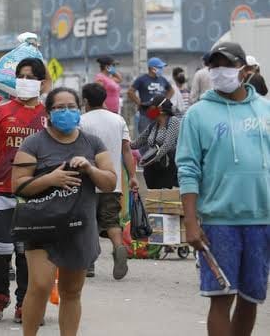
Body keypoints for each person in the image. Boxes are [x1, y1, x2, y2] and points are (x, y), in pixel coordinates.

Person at [177, 41, 269, 336]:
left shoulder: (265, 110)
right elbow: (188, 170)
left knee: (251, 298)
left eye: (226, 65)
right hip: (220, 221)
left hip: (262, 220)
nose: (219, 72)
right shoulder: (198, 114)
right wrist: (191, 222)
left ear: (244, 69)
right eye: (213, 66)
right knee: (221, 298)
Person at [13, 87, 117, 336]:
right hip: (42, 225)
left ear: (80, 109)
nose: (67, 112)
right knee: (39, 285)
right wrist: (51, 178)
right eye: (60, 108)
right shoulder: (34, 143)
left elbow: (110, 182)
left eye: (71, 107)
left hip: (79, 225)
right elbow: (18, 185)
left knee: (72, 291)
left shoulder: (92, 142)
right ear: (48, 112)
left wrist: (90, 169)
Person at [0, 57, 48, 324]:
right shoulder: (0, 112)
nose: (25, 81)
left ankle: (24, 304)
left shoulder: (49, 115)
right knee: (0, 250)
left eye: (31, 77)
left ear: (41, 83)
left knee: (26, 252)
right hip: (0, 191)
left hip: (36, 194)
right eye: (22, 76)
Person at [80, 83, 139, 280]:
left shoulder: (81, 121)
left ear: (86, 101)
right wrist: (132, 177)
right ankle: (119, 247)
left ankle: (89, 264)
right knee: (111, 221)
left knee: (87, 222)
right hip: (112, 181)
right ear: (104, 99)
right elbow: (126, 151)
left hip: (87, 181)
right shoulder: (118, 120)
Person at [131, 95, 180, 189]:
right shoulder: (153, 125)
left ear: (160, 108)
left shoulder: (173, 121)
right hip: (152, 170)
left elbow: (168, 145)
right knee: (153, 199)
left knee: (165, 199)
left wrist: (149, 159)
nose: (149, 110)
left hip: (166, 167)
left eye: (151, 107)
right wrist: (123, 141)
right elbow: (136, 143)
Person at [128, 57, 175, 136]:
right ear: (153, 68)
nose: (162, 69)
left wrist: (165, 101)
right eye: (160, 67)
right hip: (146, 112)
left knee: (160, 137)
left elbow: (171, 90)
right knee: (145, 136)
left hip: (159, 112)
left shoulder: (163, 79)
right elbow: (130, 91)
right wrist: (138, 102)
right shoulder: (142, 79)